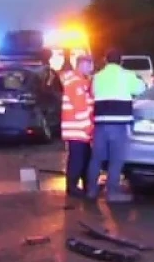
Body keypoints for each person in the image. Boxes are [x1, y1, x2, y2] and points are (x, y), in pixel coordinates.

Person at [86, 49, 146, 202]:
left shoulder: (97, 77)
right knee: (116, 159)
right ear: (121, 61)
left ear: (106, 60)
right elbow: (141, 89)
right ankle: (112, 193)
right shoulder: (127, 75)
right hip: (119, 124)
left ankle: (91, 191)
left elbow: (92, 93)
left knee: (97, 158)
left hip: (100, 124)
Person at [59, 54, 94, 197]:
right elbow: (80, 109)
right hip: (78, 130)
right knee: (77, 159)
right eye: (90, 65)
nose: (92, 68)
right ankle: (72, 187)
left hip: (79, 130)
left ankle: (83, 186)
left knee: (83, 158)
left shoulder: (81, 81)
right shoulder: (76, 83)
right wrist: (89, 128)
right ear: (82, 65)